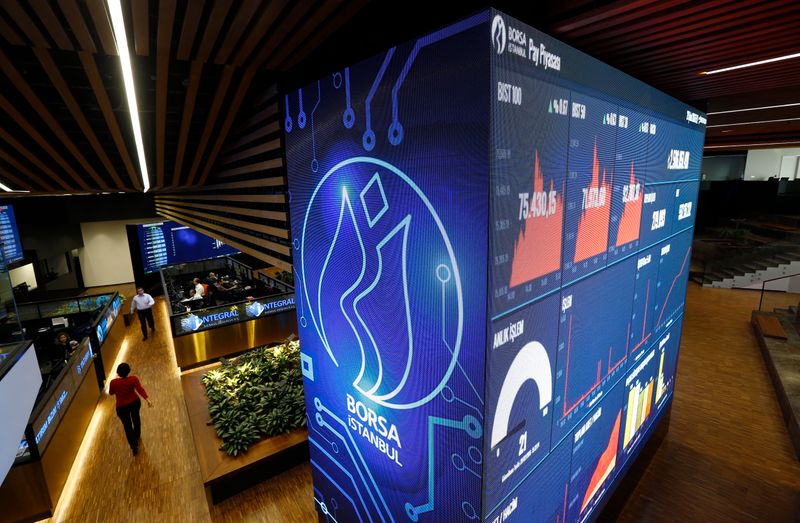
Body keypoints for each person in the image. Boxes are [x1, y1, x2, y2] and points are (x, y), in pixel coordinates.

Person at [108, 362, 151, 456]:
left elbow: (111, 393)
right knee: (136, 419)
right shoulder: (133, 379)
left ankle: (133, 446)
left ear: (118, 372)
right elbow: (140, 389)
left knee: (127, 426)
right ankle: (137, 435)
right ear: (128, 371)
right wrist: (147, 399)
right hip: (134, 403)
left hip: (122, 407)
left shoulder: (113, 382)